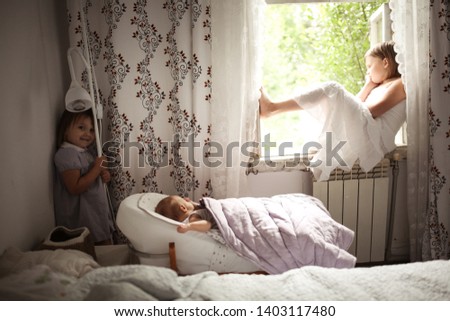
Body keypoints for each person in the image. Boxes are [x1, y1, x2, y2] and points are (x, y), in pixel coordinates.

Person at [259, 40, 406, 181]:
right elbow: (359, 106)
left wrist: (343, 100)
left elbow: (372, 111)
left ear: (385, 62)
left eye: (369, 66)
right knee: (331, 96)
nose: (368, 72)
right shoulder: (378, 86)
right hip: (370, 131)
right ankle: (273, 109)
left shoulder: (400, 84)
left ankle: (273, 108)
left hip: (376, 138)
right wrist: (368, 86)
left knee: (332, 89)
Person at [54, 109, 115, 245]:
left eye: (92, 130)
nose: (88, 134)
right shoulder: (67, 154)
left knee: (106, 246)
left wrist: (104, 174)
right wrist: (97, 168)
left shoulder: (86, 152)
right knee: (94, 248)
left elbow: (94, 177)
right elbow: (75, 187)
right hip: (83, 217)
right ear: (65, 130)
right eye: (81, 128)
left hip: (95, 212)